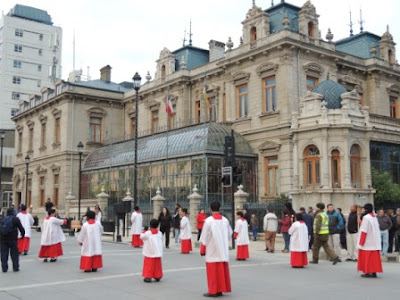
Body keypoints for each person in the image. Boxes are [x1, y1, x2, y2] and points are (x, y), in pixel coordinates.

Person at [199, 201, 232, 298]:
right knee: (221, 269)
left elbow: (204, 236)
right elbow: (230, 233)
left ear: (210, 209)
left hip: (212, 248)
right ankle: (220, 289)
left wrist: (202, 249)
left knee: (212, 271)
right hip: (222, 248)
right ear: (220, 208)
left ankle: (213, 290)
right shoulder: (225, 220)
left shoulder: (208, 221)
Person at [357, 203, 383, 278]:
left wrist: (361, 242)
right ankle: (374, 272)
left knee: (367, 258)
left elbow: (364, 231)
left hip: (367, 241)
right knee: (374, 259)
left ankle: (368, 272)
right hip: (374, 240)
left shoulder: (366, 218)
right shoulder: (374, 217)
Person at [0, 208, 25, 272]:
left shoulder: (2, 219)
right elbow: (21, 228)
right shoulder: (15, 219)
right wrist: (22, 235)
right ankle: (15, 267)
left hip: (3, 239)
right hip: (13, 239)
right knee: (14, 254)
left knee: (3, 254)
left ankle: (4, 268)